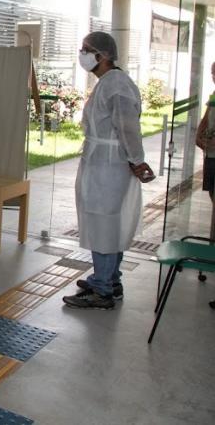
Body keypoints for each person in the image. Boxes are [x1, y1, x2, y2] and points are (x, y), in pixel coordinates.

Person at [63, 31, 155, 310]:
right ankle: (109, 279)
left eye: (86, 49)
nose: (82, 54)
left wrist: (137, 160)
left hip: (109, 164)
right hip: (102, 162)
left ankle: (103, 290)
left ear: (102, 56)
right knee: (107, 221)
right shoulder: (108, 82)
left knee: (103, 222)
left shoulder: (116, 85)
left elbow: (127, 126)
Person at [195, 62, 215, 243]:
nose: (213, 76)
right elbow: (206, 118)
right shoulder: (214, 96)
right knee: (212, 195)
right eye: (212, 73)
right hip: (211, 155)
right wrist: (199, 135)